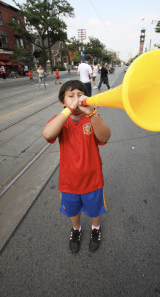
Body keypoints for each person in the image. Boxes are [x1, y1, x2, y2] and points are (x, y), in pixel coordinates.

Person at [43, 80, 111, 253]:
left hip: (93, 180)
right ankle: (76, 229)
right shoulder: (60, 120)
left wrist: (92, 114)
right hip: (69, 181)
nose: (76, 99)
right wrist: (68, 111)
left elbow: (104, 137)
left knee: (95, 208)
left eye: (80, 95)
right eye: (71, 96)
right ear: (62, 102)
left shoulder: (91, 117)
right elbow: (48, 134)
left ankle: (96, 229)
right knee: (73, 209)